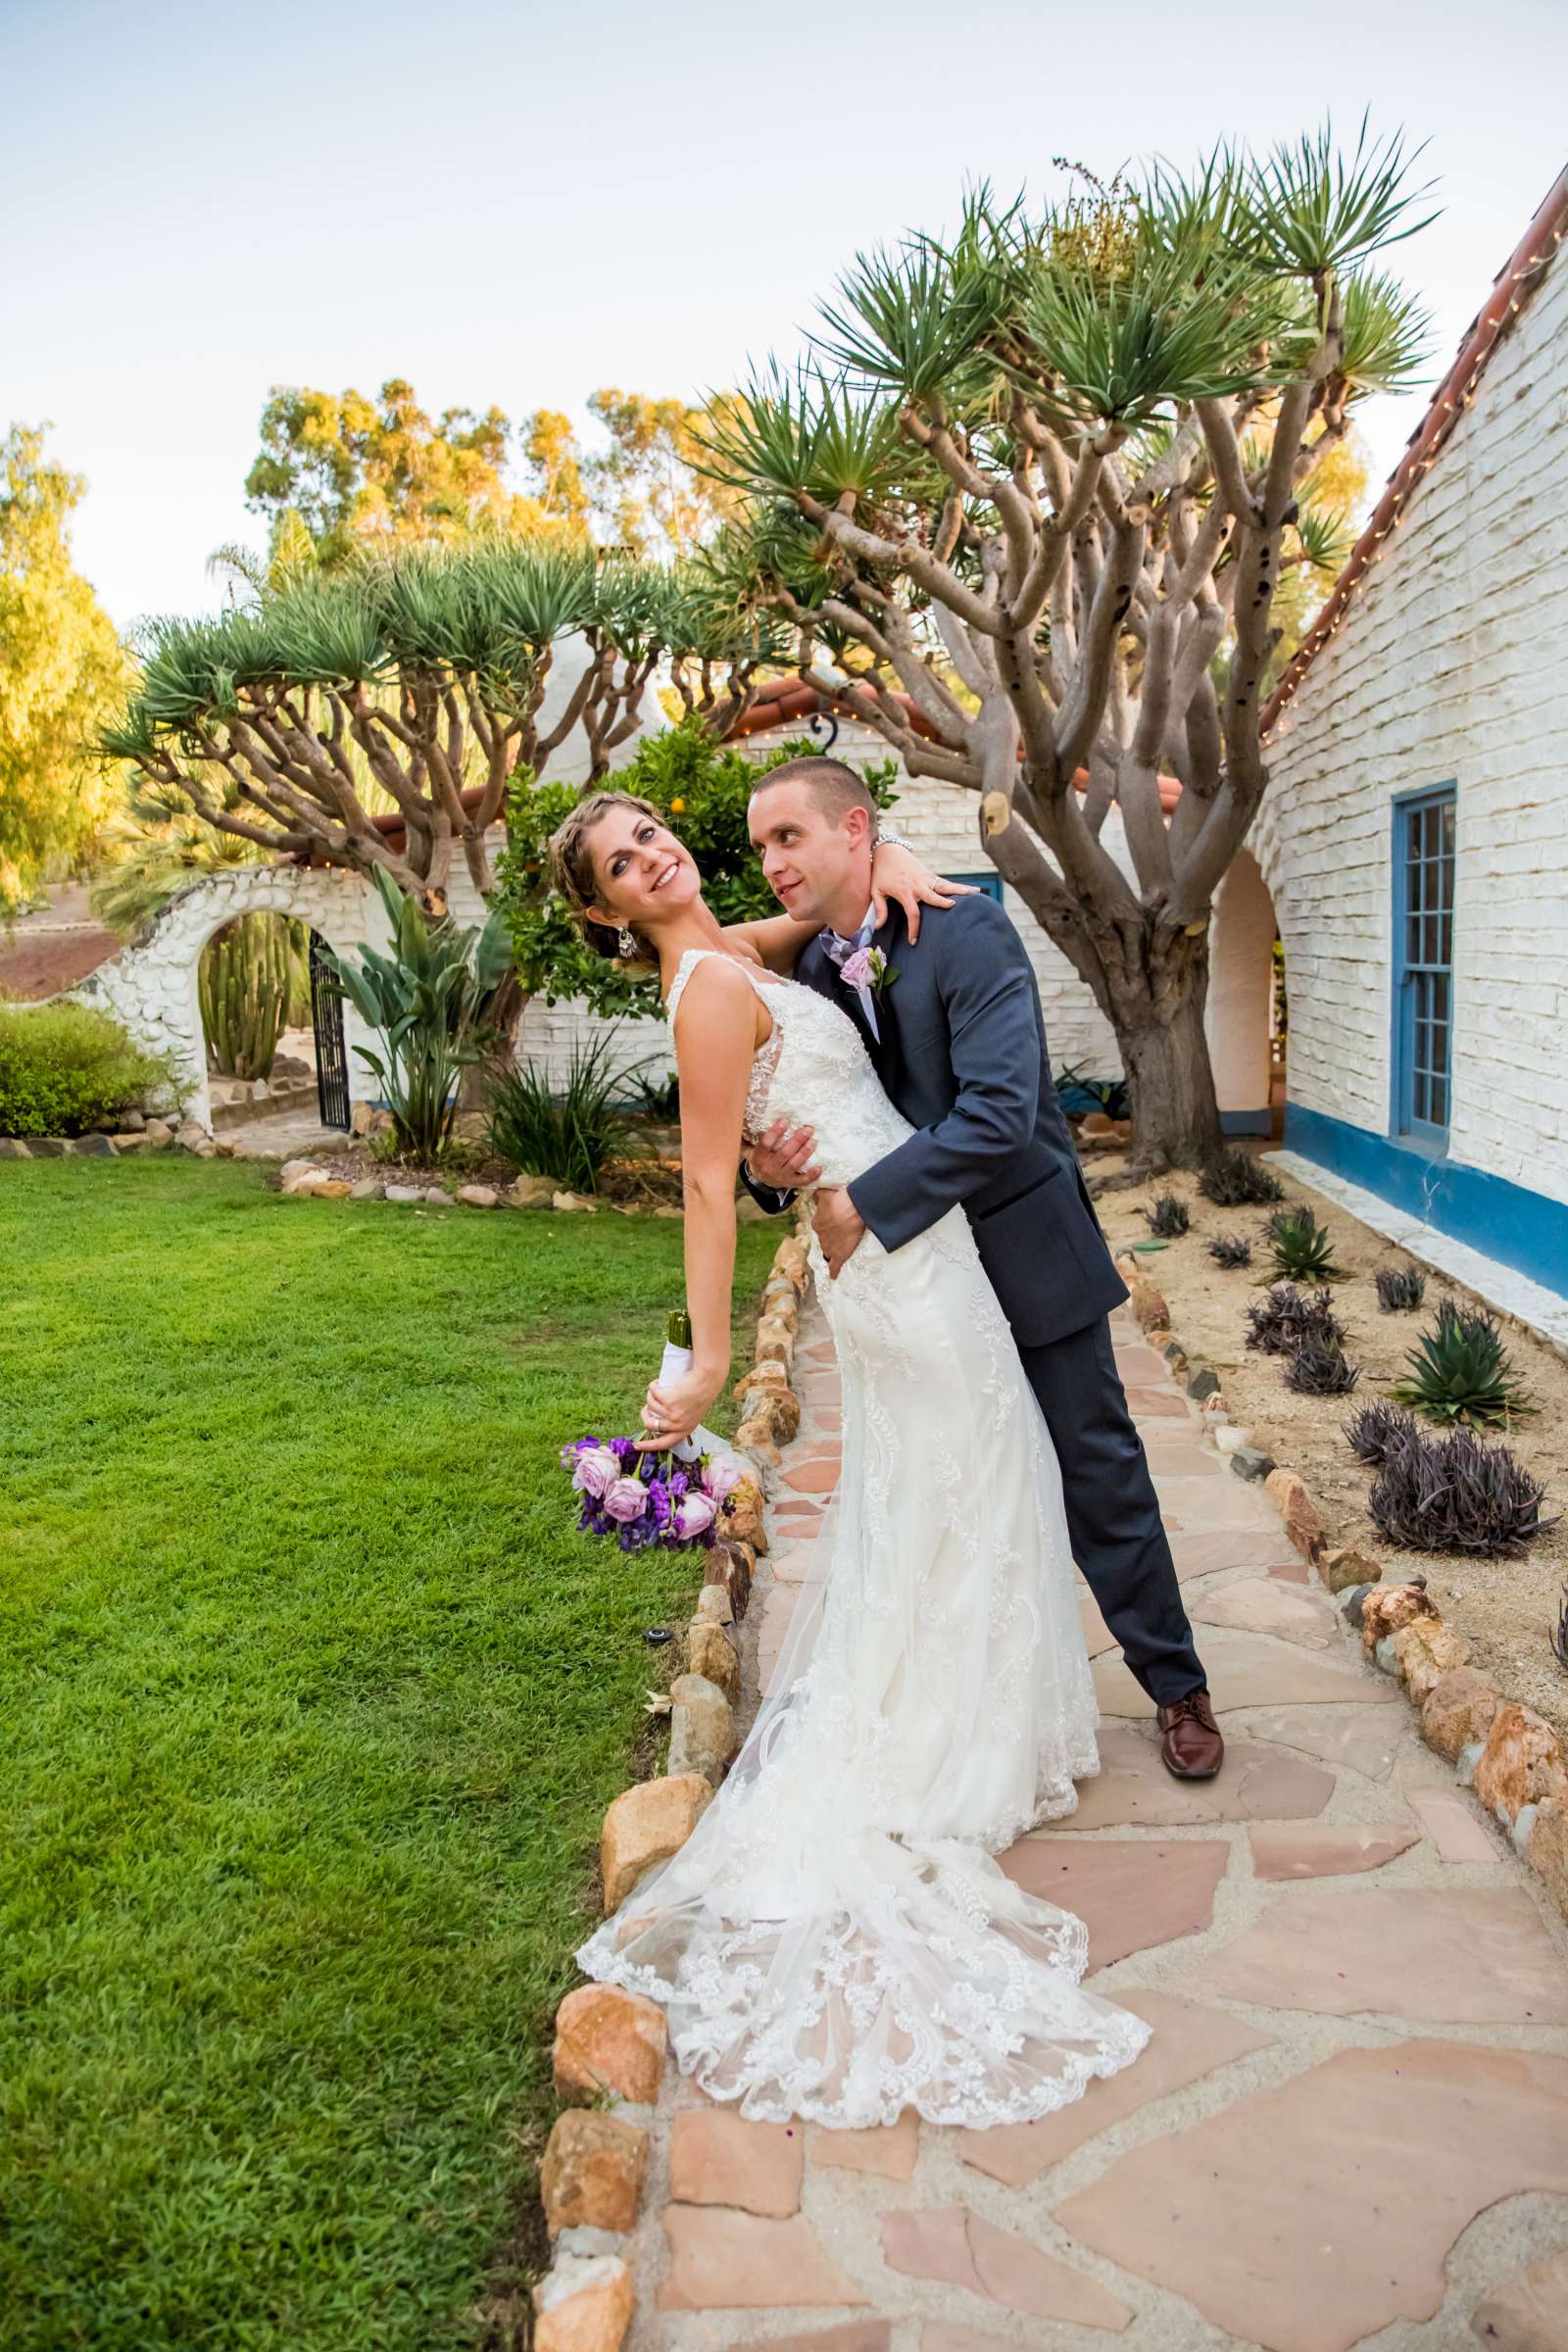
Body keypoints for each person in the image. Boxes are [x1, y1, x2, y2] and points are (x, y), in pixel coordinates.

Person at [546, 786, 1150, 2132]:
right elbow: (710, 1178)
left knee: (966, 1474)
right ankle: (940, 1742)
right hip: (887, 1254)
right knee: (974, 1463)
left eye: (646, 830)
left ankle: (968, 1708)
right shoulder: (704, 988)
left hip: (909, 1230)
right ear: (603, 911)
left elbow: (832, 908)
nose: (650, 853)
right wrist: (705, 1356)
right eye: (617, 863)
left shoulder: (734, 949)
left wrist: (900, 863)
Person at [742, 758, 1222, 1782]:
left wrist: (861, 1208)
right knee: (949, 1485)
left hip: (1017, 1246)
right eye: (761, 847)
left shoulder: (966, 929)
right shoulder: (816, 974)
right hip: (919, 1283)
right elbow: (816, 1104)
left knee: (1097, 1469)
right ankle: (974, 1695)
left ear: (854, 827)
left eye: (788, 837)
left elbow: (1001, 1116)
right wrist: (775, 1177)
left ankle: (1176, 1685)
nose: (772, 863)